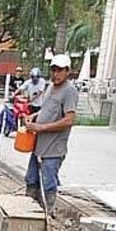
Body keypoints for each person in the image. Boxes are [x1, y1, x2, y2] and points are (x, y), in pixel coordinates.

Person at [23, 54, 80, 212]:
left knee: (48, 183)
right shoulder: (50, 87)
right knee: (31, 179)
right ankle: (29, 212)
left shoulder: (69, 91)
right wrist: (33, 116)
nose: (56, 74)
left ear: (67, 71)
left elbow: (69, 120)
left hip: (53, 148)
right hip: (39, 145)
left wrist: (41, 128)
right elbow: (46, 108)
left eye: (60, 70)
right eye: (53, 70)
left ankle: (47, 213)